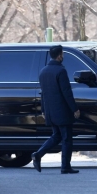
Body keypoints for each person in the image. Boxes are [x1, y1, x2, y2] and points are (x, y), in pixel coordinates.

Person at [31, 45, 80, 174]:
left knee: (57, 136)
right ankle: (65, 167)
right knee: (67, 138)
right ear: (59, 56)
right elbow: (66, 92)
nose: (62, 56)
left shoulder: (43, 71)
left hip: (50, 111)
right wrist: (74, 109)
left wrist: (43, 110)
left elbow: (43, 93)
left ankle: (38, 154)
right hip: (62, 111)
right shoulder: (61, 71)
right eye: (62, 54)